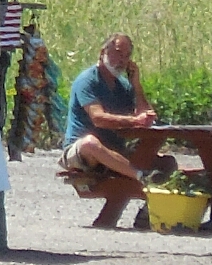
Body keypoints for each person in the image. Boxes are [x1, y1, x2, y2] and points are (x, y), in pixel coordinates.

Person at [60, 34, 176, 205]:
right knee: (90, 143)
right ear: (103, 52)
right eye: (118, 53)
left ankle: (149, 212)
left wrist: (136, 85)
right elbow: (98, 118)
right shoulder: (88, 81)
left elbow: (147, 116)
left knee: (166, 163)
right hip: (82, 152)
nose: (123, 60)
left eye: (127, 56)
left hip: (115, 151)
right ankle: (141, 176)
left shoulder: (123, 86)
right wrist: (135, 121)